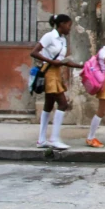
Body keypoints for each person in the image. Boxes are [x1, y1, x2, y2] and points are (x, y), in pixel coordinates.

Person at [30, 14, 83, 150]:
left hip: (56, 72)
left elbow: (63, 60)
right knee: (63, 104)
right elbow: (34, 52)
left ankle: (42, 140)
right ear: (61, 24)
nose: (69, 28)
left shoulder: (63, 40)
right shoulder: (49, 36)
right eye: (68, 25)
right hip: (48, 72)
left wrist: (80, 66)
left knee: (48, 105)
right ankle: (54, 138)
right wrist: (51, 61)